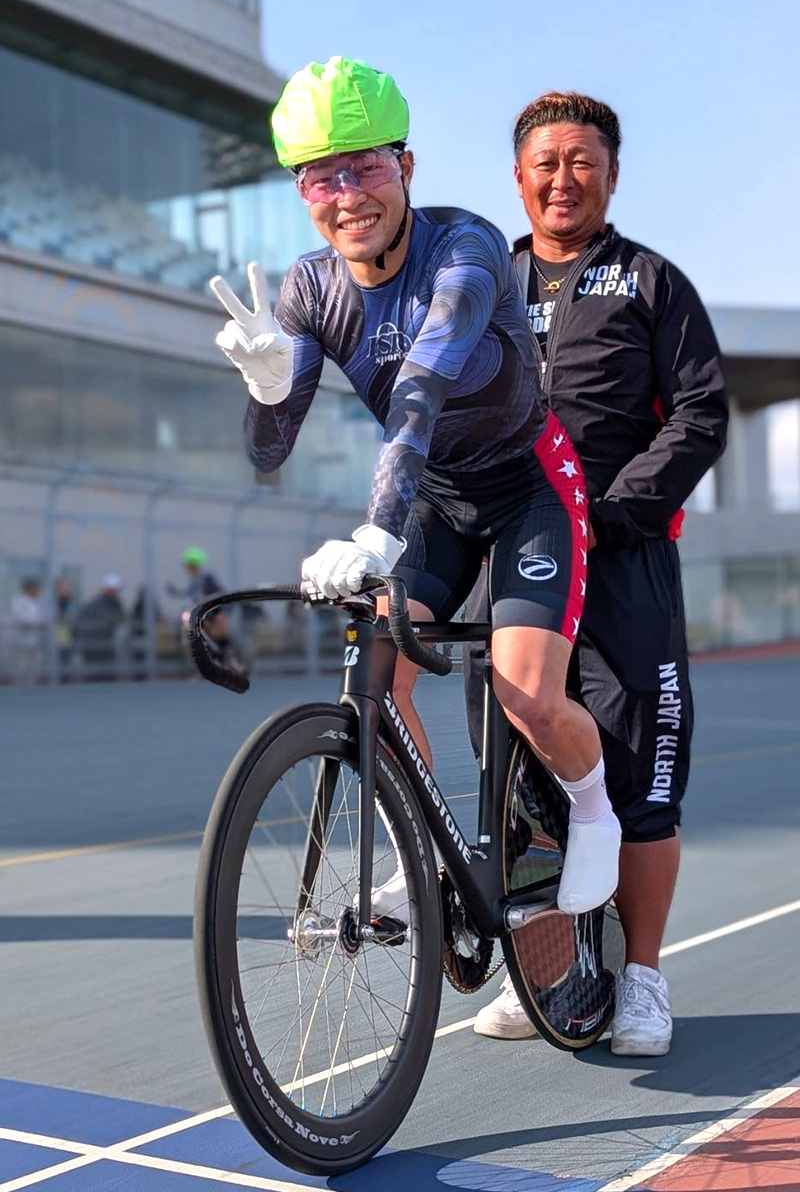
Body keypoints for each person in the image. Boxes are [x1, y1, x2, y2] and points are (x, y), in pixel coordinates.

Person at [211, 56, 621, 916]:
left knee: (525, 694)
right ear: (301, 191)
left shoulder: (465, 247)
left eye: (366, 168)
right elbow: (268, 453)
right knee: (380, 675)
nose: (348, 196)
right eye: (322, 177)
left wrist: (376, 532)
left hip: (529, 488)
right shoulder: (310, 288)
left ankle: (593, 810)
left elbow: (421, 390)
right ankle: (425, 861)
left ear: (405, 166)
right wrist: (267, 389)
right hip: (439, 498)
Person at [467, 92, 728, 1054]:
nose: (563, 179)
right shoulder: (482, 281)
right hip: (509, 566)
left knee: (641, 784)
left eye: (583, 161)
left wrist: (609, 513)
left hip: (624, 566)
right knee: (520, 786)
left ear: (612, 176)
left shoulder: (653, 283)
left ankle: (644, 978)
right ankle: (546, 979)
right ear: (518, 177)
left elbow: (700, 415)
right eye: (546, 162)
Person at [73, 574, 126, 678]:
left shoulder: (105, 603)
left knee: (104, 675)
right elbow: (108, 620)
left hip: (103, 646)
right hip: (96, 647)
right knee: (98, 676)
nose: (117, 592)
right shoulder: (100, 605)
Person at [9, 577, 47, 683]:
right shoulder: (18, 601)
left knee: (36, 664)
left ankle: (33, 683)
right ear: (28, 588)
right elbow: (19, 618)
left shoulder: (39, 601)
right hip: (22, 640)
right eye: (35, 588)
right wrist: (34, 624)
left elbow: (44, 616)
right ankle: (19, 684)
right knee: (21, 664)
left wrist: (41, 623)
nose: (37, 590)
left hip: (37, 640)